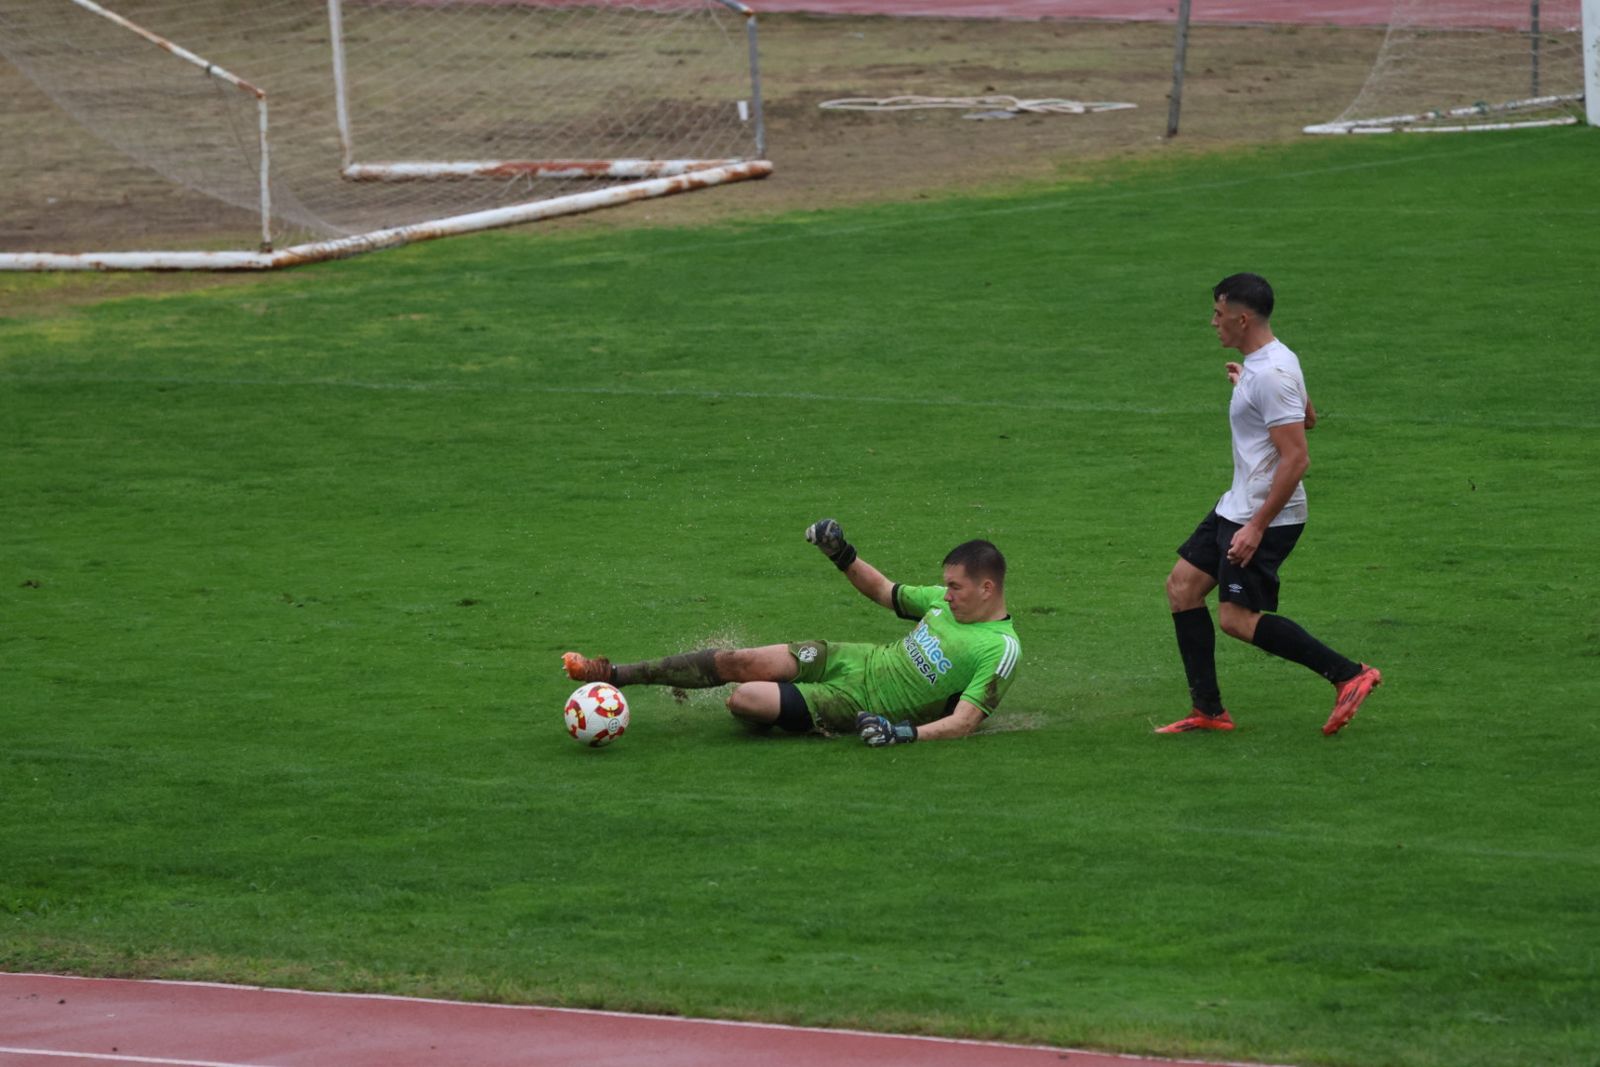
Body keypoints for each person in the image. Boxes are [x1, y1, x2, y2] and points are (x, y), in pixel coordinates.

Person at [563, 520, 1022, 746]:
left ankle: (795, 707)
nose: (947, 593)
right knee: (737, 662)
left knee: (743, 699)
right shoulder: (944, 602)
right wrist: (841, 554)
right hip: (850, 658)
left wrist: (902, 733)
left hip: (861, 704)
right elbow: (884, 591)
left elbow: (965, 723)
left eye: (956, 586)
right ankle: (615, 673)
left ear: (987, 588)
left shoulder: (999, 649)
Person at [1159, 273, 1381, 735]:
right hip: (1235, 505)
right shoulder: (1270, 364)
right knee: (1182, 588)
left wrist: (1257, 527)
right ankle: (1209, 711)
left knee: (1237, 620)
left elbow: (1298, 457)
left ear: (1242, 319)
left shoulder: (1273, 373)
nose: (1213, 322)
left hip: (1264, 515)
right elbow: (1309, 418)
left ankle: (1349, 673)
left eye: (1219, 315)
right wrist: (1247, 388)